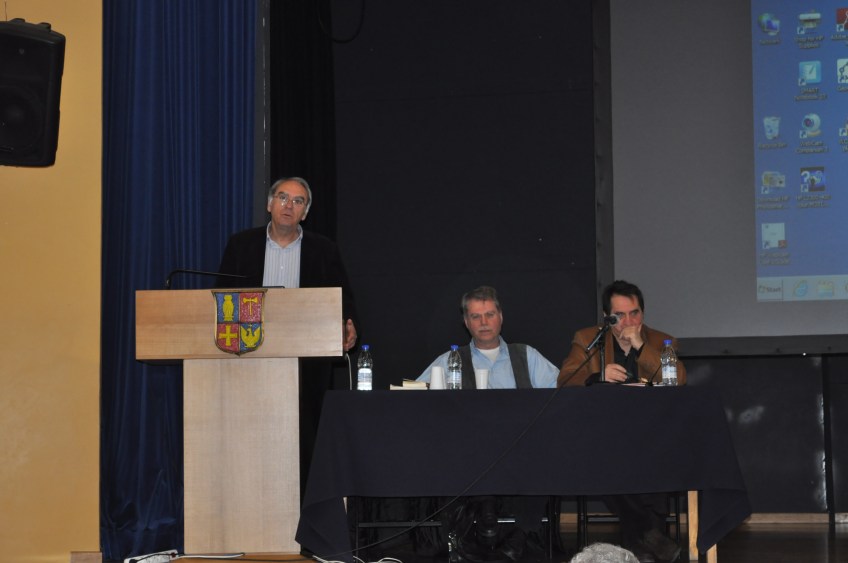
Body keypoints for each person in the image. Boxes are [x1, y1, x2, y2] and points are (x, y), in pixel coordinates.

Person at [217, 176, 359, 495]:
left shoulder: (323, 249)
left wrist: (348, 324)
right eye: (282, 197)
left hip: (306, 362)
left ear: (304, 213)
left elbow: (343, 298)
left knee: (304, 438)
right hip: (249, 359)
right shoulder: (241, 245)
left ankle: (304, 504)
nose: (288, 205)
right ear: (270, 204)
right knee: (250, 434)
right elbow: (222, 296)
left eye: (298, 201)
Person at [417, 286, 559, 562]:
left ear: (500, 317)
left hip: (522, 450)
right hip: (469, 453)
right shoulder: (450, 361)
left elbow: (559, 394)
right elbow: (415, 396)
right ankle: (476, 532)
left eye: (489, 314)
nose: (483, 322)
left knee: (545, 454)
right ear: (466, 322)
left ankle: (518, 539)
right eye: (476, 316)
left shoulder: (527, 356)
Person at [557, 280, 685, 563]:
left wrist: (641, 347)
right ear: (607, 317)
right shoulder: (587, 338)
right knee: (605, 458)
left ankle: (643, 547)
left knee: (656, 458)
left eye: (634, 313)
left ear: (643, 313)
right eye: (620, 315)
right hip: (603, 436)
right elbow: (565, 379)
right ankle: (652, 537)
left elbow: (677, 379)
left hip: (650, 435)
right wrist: (597, 376)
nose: (629, 322)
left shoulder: (662, 341)